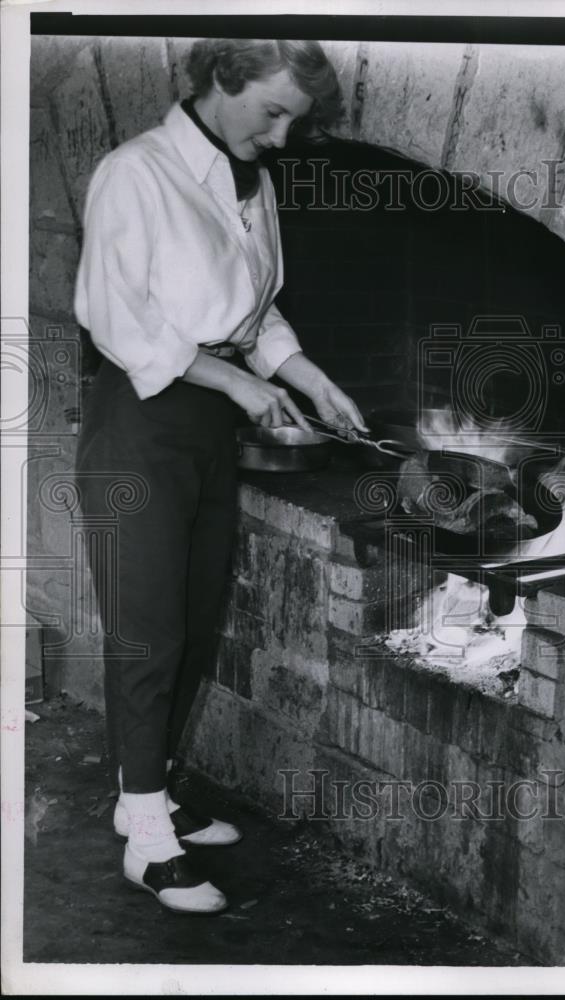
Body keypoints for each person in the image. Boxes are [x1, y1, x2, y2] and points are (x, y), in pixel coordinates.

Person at [74, 38, 367, 915]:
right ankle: (147, 844)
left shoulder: (249, 180)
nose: (281, 137)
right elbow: (119, 319)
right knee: (147, 631)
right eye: (272, 113)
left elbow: (253, 306)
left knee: (196, 623)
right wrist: (241, 383)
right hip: (141, 419)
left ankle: (149, 796)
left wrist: (308, 376)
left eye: (293, 121)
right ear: (221, 80)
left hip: (207, 425)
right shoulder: (136, 173)